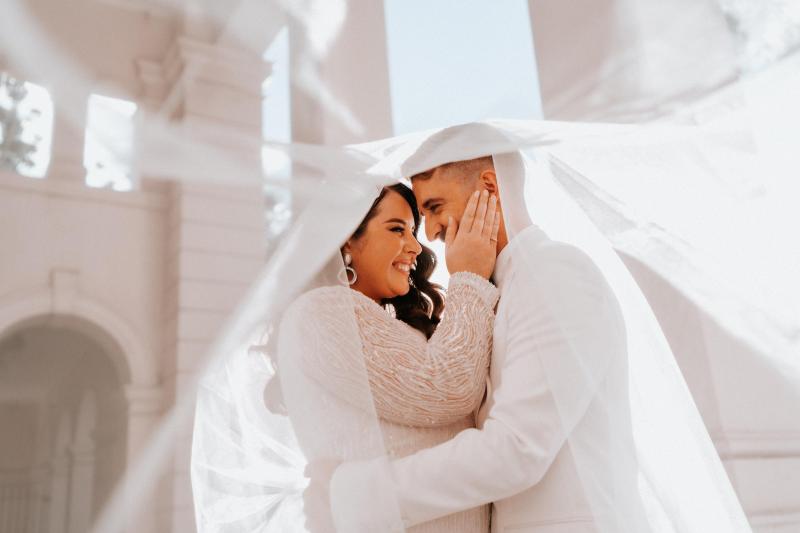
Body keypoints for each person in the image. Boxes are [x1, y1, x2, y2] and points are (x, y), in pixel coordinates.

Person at [278, 182, 502, 533]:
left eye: (413, 231)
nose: (415, 247)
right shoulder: (320, 312)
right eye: (397, 229)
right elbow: (448, 386)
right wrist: (470, 277)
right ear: (346, 237)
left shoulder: (385, 325)